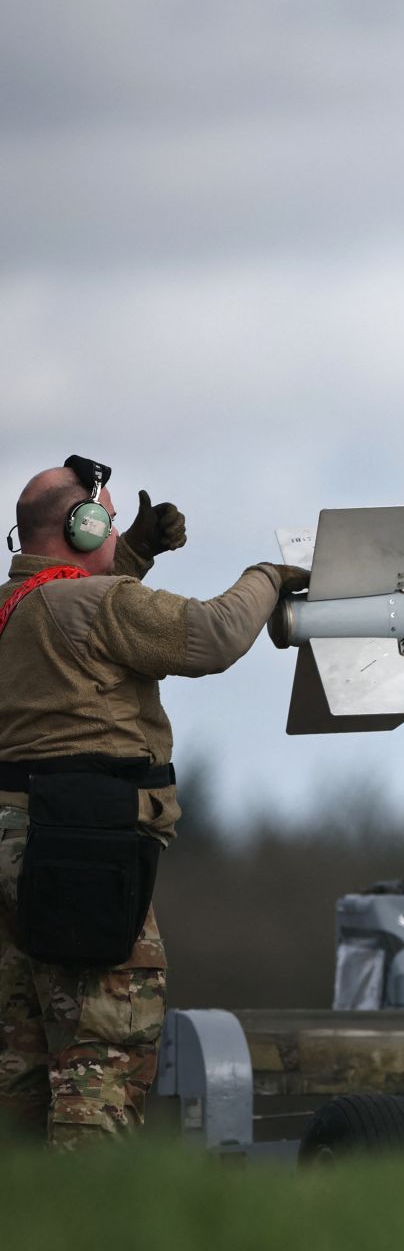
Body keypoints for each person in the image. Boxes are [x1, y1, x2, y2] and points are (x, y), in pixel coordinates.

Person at [0, 457, 307, 1147]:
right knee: (100, 1055)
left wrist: (134, 551)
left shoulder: (16, 605)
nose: (109, 529)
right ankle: (89, 1226)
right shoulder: (90, 604)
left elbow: (78, 617)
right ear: (80, 527)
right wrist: (269, 576)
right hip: (83, 849)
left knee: (21, 1064)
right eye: (103, 519)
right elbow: (211, 635)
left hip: (17, 842)